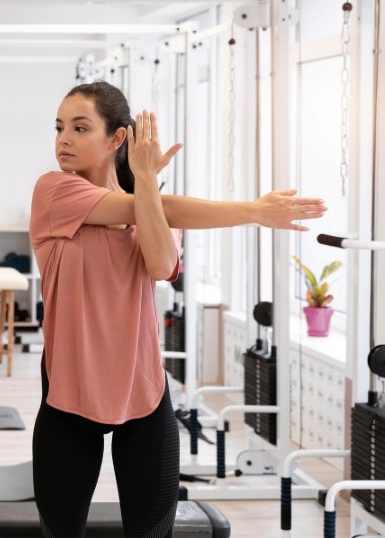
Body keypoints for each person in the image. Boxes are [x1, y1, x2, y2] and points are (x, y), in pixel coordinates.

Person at [29, 81, 326, 538]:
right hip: (70, 395)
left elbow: (163, 262)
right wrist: (253, 210)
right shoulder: (54, 192)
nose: (63, 139)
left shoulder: (150, 202)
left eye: (79, 127)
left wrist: (146, 179)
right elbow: (156, 207)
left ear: (116, 139)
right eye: (59, 127)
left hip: (144, 391)